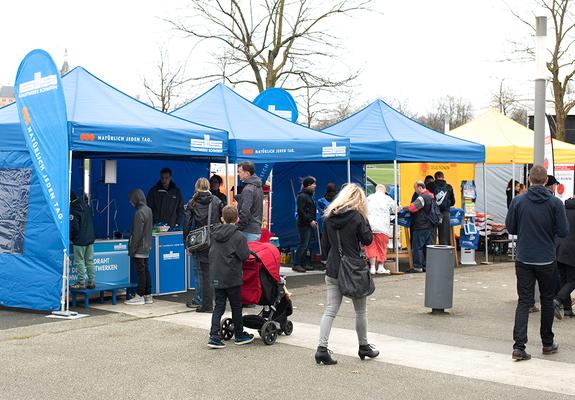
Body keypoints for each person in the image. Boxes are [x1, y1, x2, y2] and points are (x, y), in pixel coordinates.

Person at [506, 165, 568, 361]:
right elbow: (563, 231)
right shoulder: (555, 203)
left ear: (530, 180)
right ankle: (547, 343)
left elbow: (511, 227)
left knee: (524, 301)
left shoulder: (518, 201)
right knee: (547, 300)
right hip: (546, 258)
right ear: (546, 181)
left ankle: (519, 346)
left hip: (524, 257)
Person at [315, 184, 378, 365]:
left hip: (334, 267)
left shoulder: (328, 217)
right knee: (360, 311)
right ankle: (363, 346)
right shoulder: (358, 217)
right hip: (353, 269)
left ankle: (322, 348)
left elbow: (325, 245)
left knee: (330, 310)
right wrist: (365, 220)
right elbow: (367, 239)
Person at [207, 205, 254, 348]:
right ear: (237, 219)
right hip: (232, 276)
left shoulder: (213, 233)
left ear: (222, 219)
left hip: (216, 275)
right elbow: (245, 256)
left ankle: (214, 336)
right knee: (236, 306)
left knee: (218, 307)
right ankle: (239, 335)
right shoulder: (238, 236)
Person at [183, 177, 223, 313]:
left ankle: (199, 299)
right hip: (214, 240)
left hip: (199, 241)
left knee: (198, 271)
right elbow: (221, 220)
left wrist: (186, 244)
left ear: (196, 187)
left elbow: (187, 224)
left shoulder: (192, 202)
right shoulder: (217, 201)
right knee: (212, 271)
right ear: (208, 187)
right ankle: (211, 300)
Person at [125, 189, 153, 305]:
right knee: (145, 270)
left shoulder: (139, 213)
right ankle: (148, 295)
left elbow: (137, 234)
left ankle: (140, 295)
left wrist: (132, 249)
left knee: (141, 272)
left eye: (131, 200)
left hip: (139, 248)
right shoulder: (148, 210)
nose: (131, 202)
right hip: (146, 246)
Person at [402, 181, 435, 273]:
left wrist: (402, 208)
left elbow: (412, 208)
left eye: (415, 188)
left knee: (418, 247)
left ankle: (417, 267)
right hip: (431, 226)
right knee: (428, 247)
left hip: (421, 226)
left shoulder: (422, 197)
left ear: (420, 188)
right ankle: (427, 266)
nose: (415, 191)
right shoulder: (431, 195)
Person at [365, 184, 396, 275]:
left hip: (370, 227)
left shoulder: (369, 197)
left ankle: (372, 267)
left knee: (370, 246)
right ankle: (381, 267)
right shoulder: (387, 198)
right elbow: (395, 209)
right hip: (382, 227)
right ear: (384, 191)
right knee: (381, 247)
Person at [69, 192, 96, 290]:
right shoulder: (86, 205)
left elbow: (74, 227)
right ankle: (92, 281)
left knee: (80, 261)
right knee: (89, 261)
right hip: (90, 238)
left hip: (79, 240)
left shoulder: (73, 208)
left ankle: (81, 282)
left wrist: (71, 238)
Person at [554, 197, 575, 320]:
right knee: (572, 280)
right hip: (571, 250)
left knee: (564, 279)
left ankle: (567, 309)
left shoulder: (563, 207)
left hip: (558, 247)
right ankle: (557, 300)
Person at [293, 176, 317, 273]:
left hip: (308, 224)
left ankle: (302, 263)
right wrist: (310, 220)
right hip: (304, 224)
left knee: (306, 245)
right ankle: (296, 264)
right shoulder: (303, 196)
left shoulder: (309, 196)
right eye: (313, 184)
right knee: (303, 244)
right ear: (308, 185)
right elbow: (301, 211)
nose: (315, 186)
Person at [236, 161, 263, 242]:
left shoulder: (248, 189)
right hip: (255, 229)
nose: (238, 174)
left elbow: (245, 212)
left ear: (247, 173)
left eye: (239, 172)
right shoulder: (258, 186)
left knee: (246, 254)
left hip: (248, 231)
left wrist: (238, 227)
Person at [432, 171, 455, 245]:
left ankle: (431, 253)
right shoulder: (449, 187)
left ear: (435, 178)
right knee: (444, 236)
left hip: (433, 213)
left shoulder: (431, 186)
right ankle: (444, 254)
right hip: (445, 213)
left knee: (432, 235)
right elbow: (453, 202)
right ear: (443, 177)